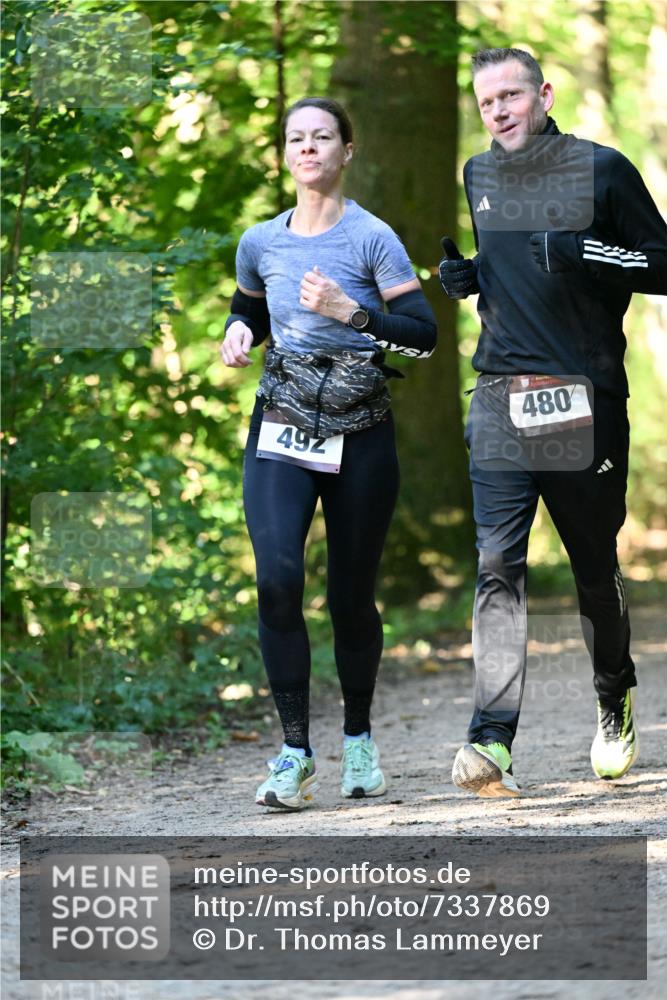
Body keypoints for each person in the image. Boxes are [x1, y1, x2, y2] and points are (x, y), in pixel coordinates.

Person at [439, 47, 667, 797]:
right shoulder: (480, 175)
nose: (498, 110)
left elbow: (661, 263)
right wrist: (468, 276)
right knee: (496, 568)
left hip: (581, 398)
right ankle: (491, 739)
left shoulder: (600, 169)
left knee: (592, 573)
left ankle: (612, 699)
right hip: (500, 394)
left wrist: (591, 252)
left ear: (542, 93)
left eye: (510, 95)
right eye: (485, 101)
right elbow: (510, 269)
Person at [221, 97, 437, 810]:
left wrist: (354, 313)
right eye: (296, 138)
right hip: (280, 426)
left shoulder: (373, 239)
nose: (307, 148)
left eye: (322, 137)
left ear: (347, 150)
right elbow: (248, 305)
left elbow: (423, 336)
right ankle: (292, 753)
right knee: (278, 579)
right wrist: (238, 332)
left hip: (360, 431)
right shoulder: (260, 240)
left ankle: (358, 743)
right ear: (284, 153)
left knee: (349, 594)